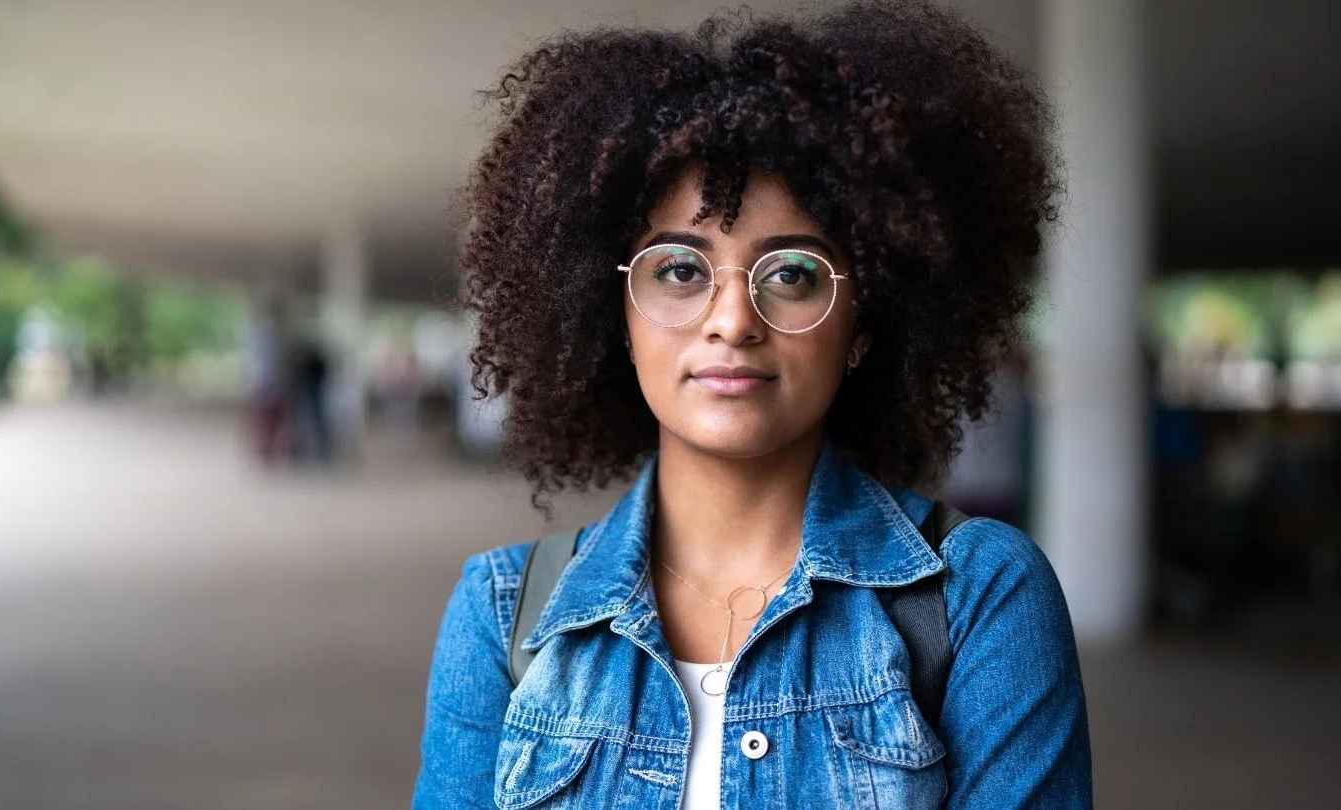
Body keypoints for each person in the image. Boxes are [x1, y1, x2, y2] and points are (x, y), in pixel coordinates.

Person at [414, 2, 1090, 807]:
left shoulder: (980, 597)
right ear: (618, 320)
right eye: (678, 271)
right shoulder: (502, 616)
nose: (732, 321)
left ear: (864, 323)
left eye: (792, 273)